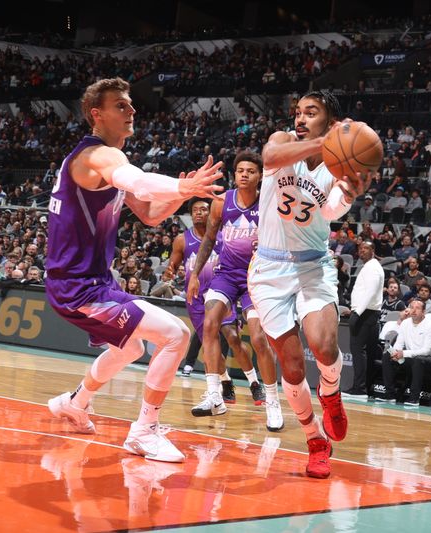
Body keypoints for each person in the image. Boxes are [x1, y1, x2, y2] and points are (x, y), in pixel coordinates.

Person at [44, 78, 223, 463]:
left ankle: (76, 403)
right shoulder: (96, 157)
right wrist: (180, 183)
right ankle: (143, 432)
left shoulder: (108, 164)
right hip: (79, 287)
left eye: (130, 105)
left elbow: (151, 214)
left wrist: (185, 192)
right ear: (97, 114)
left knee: (133, 347)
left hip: (89, 282)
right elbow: (139, 181)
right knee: (176, 335)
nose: (132, 111)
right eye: (121, 106)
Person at [249, 90, 369, 478]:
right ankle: (315, 440)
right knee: (293, 367)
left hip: (312, 266)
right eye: (298, 112)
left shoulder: (338, 168)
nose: (300, 118)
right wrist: (328, 141)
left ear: (331, 122)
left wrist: (348, 195)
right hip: (268, 270)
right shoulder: (283, 142)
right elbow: (268, 158)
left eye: (310, 113)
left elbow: (331, 209)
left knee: (324, 343)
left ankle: (331, 393)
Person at [186, 152, 283, 431]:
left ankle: (272, 402)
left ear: (259, 176)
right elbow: (209, 239)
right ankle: (215, 394)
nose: (243, 174)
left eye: (250, 171)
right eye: (240, 170)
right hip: (226, 274)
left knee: (258, 338)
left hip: (256, 277)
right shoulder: (221, 202)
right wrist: (195, 274)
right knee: (210, 322)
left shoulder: (268, 203)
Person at [166, 199, 243, 395]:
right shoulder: (182, 239)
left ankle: (248, 383)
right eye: (195, 210)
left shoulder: (224, 236)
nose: (199, 213)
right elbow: (173, 264)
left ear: (211, 213)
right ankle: (224, 382)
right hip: (197, 298)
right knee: (210, 346)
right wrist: (170, 270)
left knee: (232, 337)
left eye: (203, 209)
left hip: (222, 293)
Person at [342, 240, 384, 398]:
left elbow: (371, 292)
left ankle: (359, 389)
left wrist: (357, 313)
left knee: (358, 352)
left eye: (366, 248)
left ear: (373, 250)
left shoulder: (373, 267)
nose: (362, 251)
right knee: (361, 352)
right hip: (366, 313)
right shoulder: (369, 266)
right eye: (360, 248)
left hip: (366, 314)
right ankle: (360, 387)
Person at [382, 299, 431, 406]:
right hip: (410, 358)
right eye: (412, 307)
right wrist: (395, 353)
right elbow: (399, 343)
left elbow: (426, 351)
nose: (414, 310)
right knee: (387, 355)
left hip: (429, 361)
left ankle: (414, 398)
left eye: (417, 308)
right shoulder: (405, 323)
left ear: (423, 312)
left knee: (419, 360)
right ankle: (390, 395)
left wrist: (403, 354)